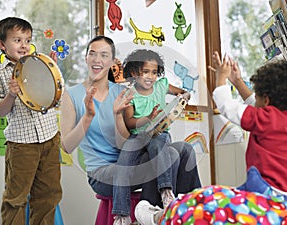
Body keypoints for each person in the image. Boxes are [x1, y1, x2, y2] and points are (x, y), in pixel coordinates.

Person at [60, 35, 202, 225]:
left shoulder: (124, 92)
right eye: (92, 54)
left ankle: (191, 210)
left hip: (130, 160)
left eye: (104, 55)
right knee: (167, 156)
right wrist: (87, 117)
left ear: (111, 61)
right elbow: (66, 147)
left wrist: (118, 115)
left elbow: (123, 142)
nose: (97, 59)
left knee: (184, 149)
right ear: (86, 58)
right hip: (102, 173)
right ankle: (151, 215)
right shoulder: (72, 95)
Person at [0, 17, 62, 225]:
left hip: (49, 138)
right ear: (2, 44)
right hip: (22, 145)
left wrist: (50, 72)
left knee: (48, 195)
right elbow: (0, 111)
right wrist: (11, 95)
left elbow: (53, 98)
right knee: (16, 198)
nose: (24, 45)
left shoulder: (38, 64)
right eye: (17, 40)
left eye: (27, 40)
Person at [113, 49, 190, 218]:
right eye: (145, 72)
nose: (151, 77)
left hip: (159, 133)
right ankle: (121, 215)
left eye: (154, 72)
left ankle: (166, 192)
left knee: (159, 148)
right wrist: (147, 118)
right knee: (122, 167)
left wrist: (184, 96)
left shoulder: (161, 86)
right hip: (137, 136)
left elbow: (180, 92)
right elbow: (130, 122)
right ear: (134, 73)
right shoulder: (129, 94)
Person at [211, 51, 287, 198]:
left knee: (215, 198)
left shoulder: (267, 119)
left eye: (257, 95)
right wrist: (237, 81)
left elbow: (227, 106)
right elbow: (255, 104)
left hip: (267, 191)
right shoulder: (277, 118)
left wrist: (221, 78)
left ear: (266, 100)